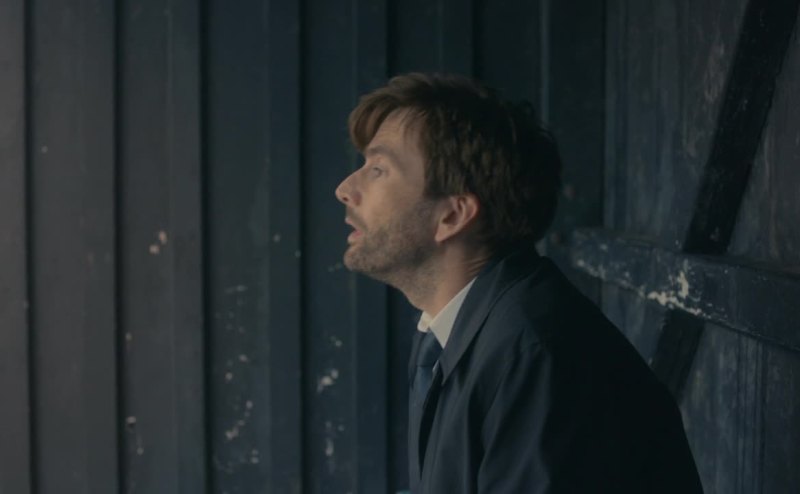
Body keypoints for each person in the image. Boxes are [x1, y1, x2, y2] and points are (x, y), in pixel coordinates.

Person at [335, 73, 703, 493]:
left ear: (452, 215)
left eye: (378, 169)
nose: (345, 189)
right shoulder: (452, 330)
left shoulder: (533, 354)